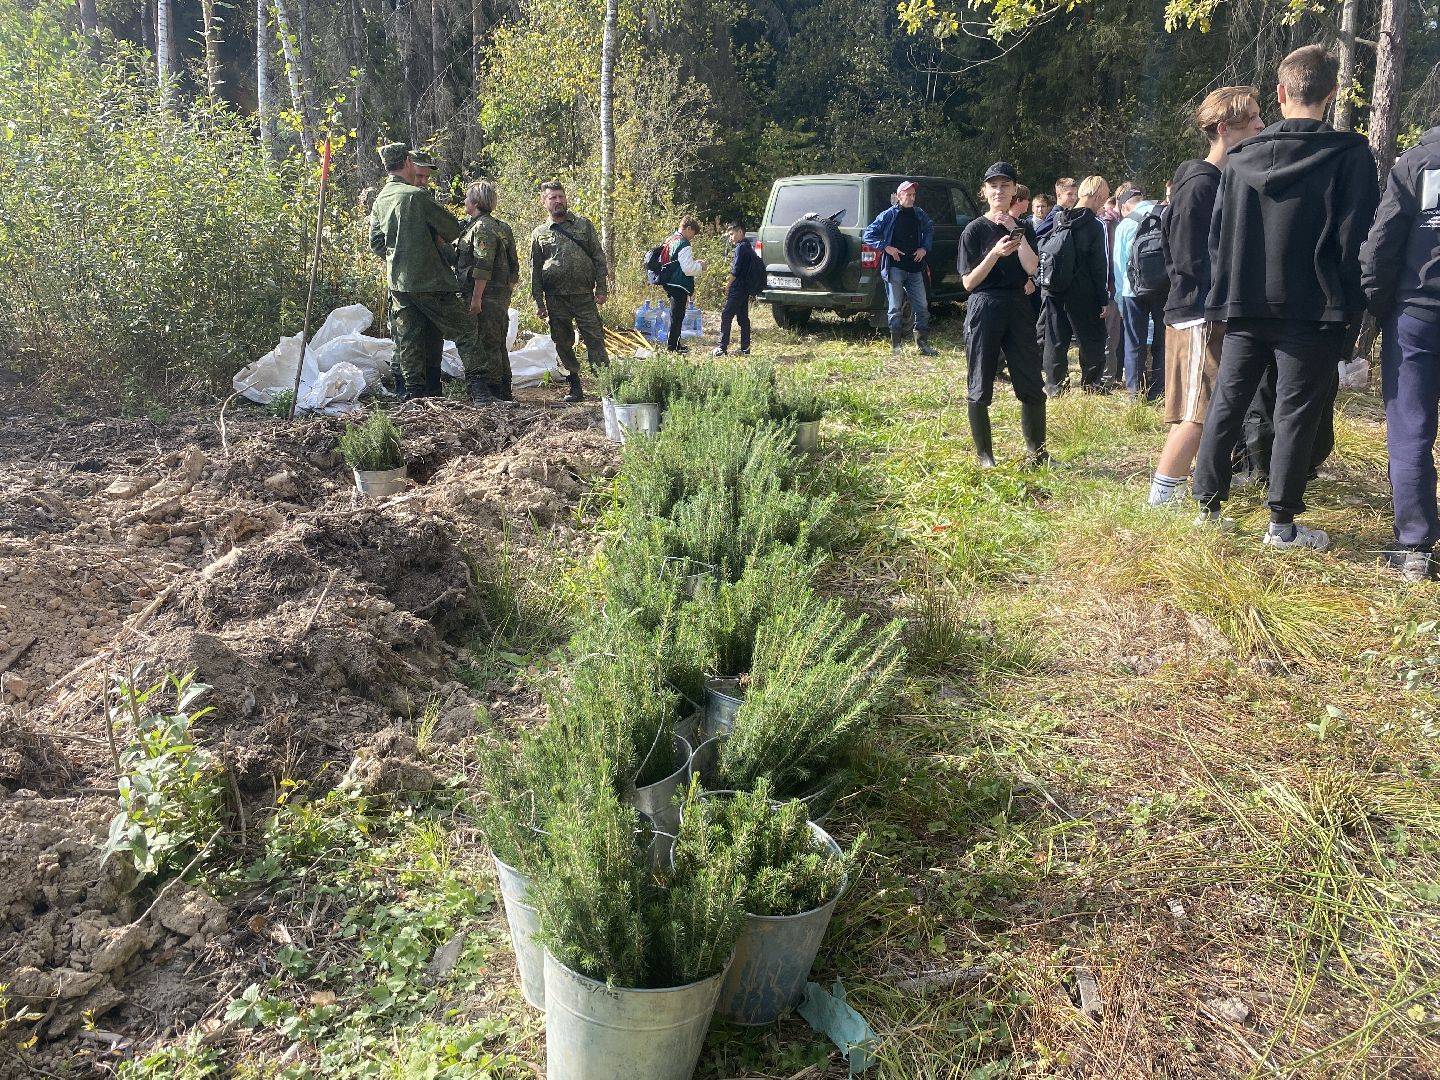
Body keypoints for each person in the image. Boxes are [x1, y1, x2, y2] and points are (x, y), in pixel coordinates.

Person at [1190, 45, 1380, 550]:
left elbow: (1219, 235)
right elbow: (1355, 238)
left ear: (1279, 94)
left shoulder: (1241, 156)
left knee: (1228, 403)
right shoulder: (1349, 154)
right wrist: (1352, 314)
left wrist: (1221, 299)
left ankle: (1206, 507)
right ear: (1332, 95)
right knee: (1296, 412)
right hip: (1314, 306)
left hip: (1244, 302)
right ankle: (1281, 525)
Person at [1146, 86, 1264, 507]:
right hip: (1198, 312)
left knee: (1197, 411)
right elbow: (1187, 257)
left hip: (1200, 310)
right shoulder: (1202, 184)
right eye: (1251, 118)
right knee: (1198, 414)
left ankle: (1173, 490)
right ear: (1223, 128)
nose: (1260, 124)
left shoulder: (1211, 181)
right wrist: (1215, 302)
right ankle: (1161, 499)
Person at [1360, 122, 1440, 582]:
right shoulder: (1412, 162)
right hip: (1415, 311)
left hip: (1416, 314)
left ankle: (1415, 546)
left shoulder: (1414, 163)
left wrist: (1381, 305)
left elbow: (1381, 245)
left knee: (1410, 428)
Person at [369, 141, 493, 404]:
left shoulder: (381, 200)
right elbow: (451, 229)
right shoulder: (416, 196)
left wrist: (399, 258)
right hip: (432, 281)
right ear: (407, 163)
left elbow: (376, 244)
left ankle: (413, 396)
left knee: (409, 339)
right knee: (465, 332)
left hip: (399, 284)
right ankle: (479, 390)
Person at [958, 162, 1047, 466]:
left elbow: (1033, 268)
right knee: (980, 381)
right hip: (984, 305)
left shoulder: (1022, 228)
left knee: (1031, 381)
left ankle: (1038, 453)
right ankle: (985, 456)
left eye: (1005, 186)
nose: (999, 191)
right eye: (993, 186)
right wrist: (994, 254)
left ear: (1013, 192)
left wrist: (1014, 232)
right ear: (984, 192)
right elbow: (969, 282)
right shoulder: (974, 230)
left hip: (1018, 306)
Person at [529, 181, 609, 402]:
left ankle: (605, 388)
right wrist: (538, 302)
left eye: (560, 196)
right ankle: (575, 386)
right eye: (552, 198)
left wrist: (601, 289)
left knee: (594, 339)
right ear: (544, 202)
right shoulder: (539, 233)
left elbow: (599, 259)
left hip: (585, 296)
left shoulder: (584, 225)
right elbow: (534, 270)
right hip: (555, 299)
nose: (558, 201)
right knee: (562, 342)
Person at [1039, 175, 1111, 394]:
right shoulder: (1096, 225)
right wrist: (1103, 298)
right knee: (1092, 337)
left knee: (1055, 338)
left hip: (1054, 286)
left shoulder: (1058, 218)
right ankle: (1091, 383)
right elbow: (1100, 266)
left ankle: (1055, 385)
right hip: (1083, 290)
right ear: (1099, 195)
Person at [454, 180, 519, 402]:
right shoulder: (501, 227)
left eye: (466, 197)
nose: (464, 201)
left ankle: (492, 392)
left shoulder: (482, 227)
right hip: (497, 296)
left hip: (485, 296)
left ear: (475, 201)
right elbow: (513, 268)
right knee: (497, 341)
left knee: (486, 343)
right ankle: (503, 389)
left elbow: (483, 266)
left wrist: (476, 298)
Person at [863, 180, 938, 356]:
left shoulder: (919, 214)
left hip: (915, 267)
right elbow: (868, 234)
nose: (912, 198)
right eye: (908, 195)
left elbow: (929, 229)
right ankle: (896, 347)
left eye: (913, 195)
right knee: (895, 307)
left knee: (922, 307)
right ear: (899, 196)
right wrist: (886, 247)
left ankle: (922, 344)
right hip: (895, 267)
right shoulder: (888, 215)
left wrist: (924, 248)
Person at [1112, 184, 1166, 399]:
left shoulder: (1125, 224)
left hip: (1132, 290)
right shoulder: (1163, 216)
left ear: (1125, 205)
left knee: (1134, 341)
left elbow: (1119, 264)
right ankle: (1159, 389)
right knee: (1162, 341)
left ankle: (1135, 392)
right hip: (1163, 288)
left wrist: (1118, 300)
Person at [657, 215, 706, 353]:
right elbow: (687, 268)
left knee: (675, 315)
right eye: (693, 233)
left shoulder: (671, 239)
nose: (693, 237)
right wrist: (701, 266)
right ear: (688, 228)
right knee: (677, 316)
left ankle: (674, 345)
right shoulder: (683, 243)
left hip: (669, 281)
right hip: (679, 284)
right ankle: (673, 347)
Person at [715, 220, 761, 356]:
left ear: (740, 232)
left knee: (726, 315)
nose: (730, 237)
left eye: (732, 234)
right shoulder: (748, 246)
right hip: (745, 288)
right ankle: (745, 348)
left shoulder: (741, 247)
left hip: (738, 288)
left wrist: (728, 286)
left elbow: (735, 271)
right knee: (743, 319)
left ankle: (722, 348)